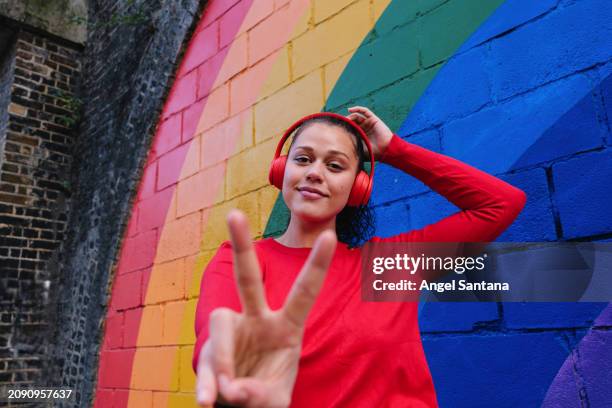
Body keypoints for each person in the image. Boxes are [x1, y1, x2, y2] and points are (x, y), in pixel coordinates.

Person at [192, 106, 527, 407]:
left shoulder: (390, 266)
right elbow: (215, 342)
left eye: (335, 165)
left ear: (358, 187)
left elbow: (501, 204)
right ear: (282, 171)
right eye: (303, 159)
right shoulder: (239, 262)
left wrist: (397, 151)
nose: (314, 172)